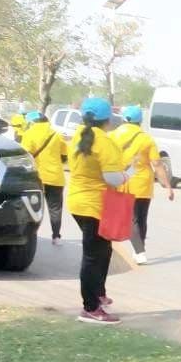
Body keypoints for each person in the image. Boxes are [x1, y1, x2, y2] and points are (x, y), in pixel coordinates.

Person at [66, 97, 132, 324]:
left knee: (103, 251)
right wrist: (127, 174)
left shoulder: (79, 135)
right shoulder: (103, 141)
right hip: (93, 206)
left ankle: (99, 294)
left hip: (78, 201)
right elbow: (111, 177)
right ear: (109, 120)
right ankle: (91, 308)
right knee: (94, 256)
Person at [110, 105, 174, 265]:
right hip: (143, 183)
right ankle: (139, 250)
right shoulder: (146, 139)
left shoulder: (112, 136)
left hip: (123, 181)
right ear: (140, 121)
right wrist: (168, 186)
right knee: (141, 217)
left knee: (131, 219)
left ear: (124, 118)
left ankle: (140, 252)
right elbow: (157, 164)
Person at [20, 110, 68, 245]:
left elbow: (25, 155)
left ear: (32, 122)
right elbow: (64, 157)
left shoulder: (28, 134)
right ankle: (56, 237)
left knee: (31, 207)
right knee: (55, 209)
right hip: (55, 178)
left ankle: (29, 235)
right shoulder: (57, 135)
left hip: (35, 178)